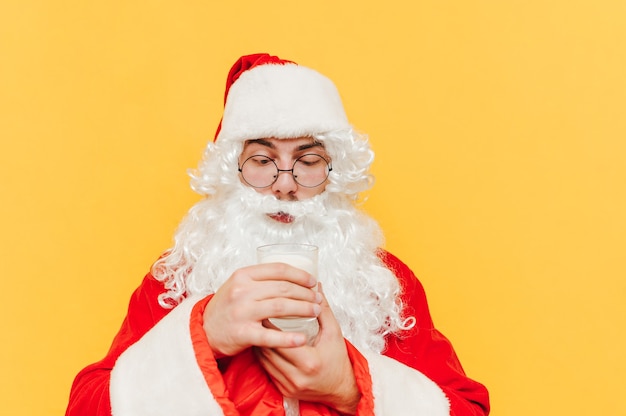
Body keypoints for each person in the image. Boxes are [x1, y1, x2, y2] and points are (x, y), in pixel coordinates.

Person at [66, 53, 490, 416]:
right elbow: (86, 406)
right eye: (262, 159)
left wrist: (350, 387)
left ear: (333, 173)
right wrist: (204, 334)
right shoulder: (176, 279)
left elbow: (465, 407)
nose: (284, 185)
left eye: (307, 160)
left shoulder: (381, 283)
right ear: (231, 171)